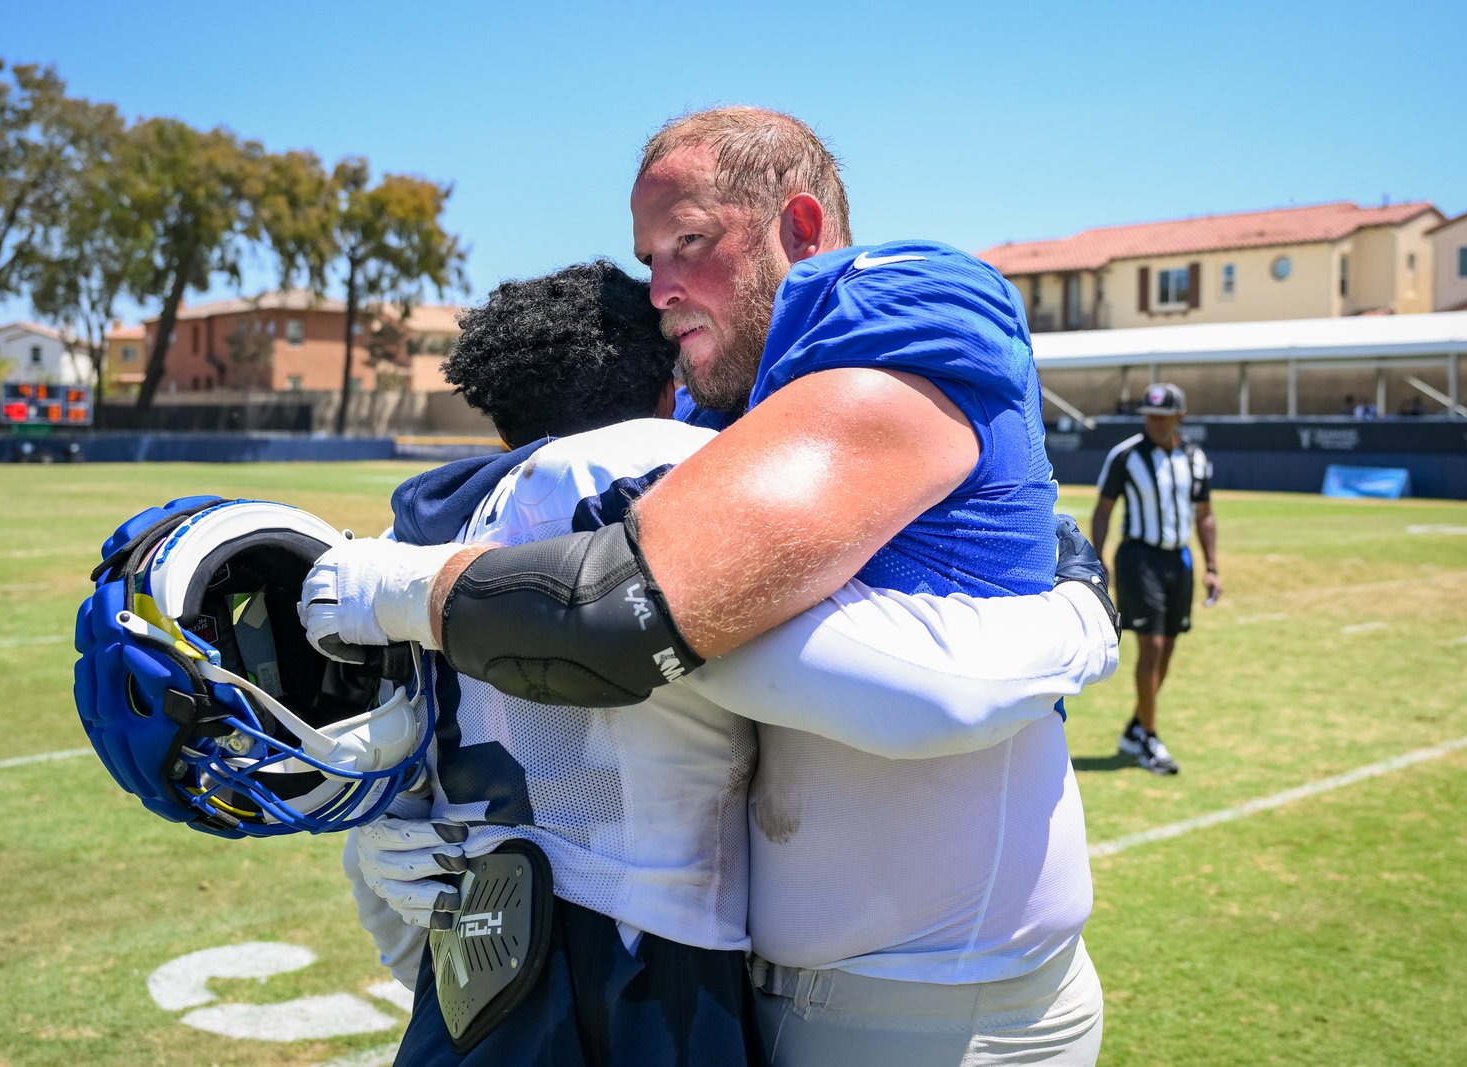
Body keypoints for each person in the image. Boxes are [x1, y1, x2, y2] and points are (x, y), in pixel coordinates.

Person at [308, 107, 1108, 1065]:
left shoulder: (893, 305)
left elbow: (623, 617)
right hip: (762, 993)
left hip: (945, 1002)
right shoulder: (709, 398)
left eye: (688, 243)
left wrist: (1076, 624)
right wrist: (414, 836)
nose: (661, 291)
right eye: (649, 259)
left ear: (801, 232)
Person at [1091, 382, 1220, 776]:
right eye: (1150, 415)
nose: (1155, 422)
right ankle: (1149, 736)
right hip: (1139, 557)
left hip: (1178, 560)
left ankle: (1135, 728)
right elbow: (1103, 510)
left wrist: (1212, 566)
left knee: (1167, 650)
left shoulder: (1195, 458)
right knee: (1151, 647)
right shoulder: (1126, 455)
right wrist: (1098, 562)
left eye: (1163, 417)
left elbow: (1205, 514)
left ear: (1180, 417)